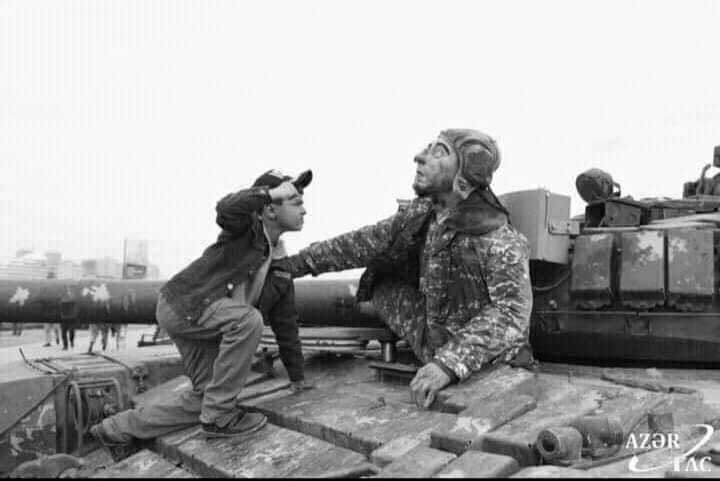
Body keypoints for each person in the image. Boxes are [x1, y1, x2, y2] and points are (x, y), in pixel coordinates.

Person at [283, 129, 533, 410]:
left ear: (462, 179)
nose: (419, 157)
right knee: (381, 285)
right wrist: (296, 265)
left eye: (439, 153)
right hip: (436, 338)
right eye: (428, 148)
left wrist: (448, 364)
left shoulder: (499, 239)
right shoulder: (426, 214)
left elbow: (511, 314)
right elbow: (363, 242)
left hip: (488, 361)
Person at [90, 168, 312, 461]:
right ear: (270, 210)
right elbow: (225, 209)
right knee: (248, 321)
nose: (304, 210)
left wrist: (297, 376)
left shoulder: (279, 263)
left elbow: (285, 322)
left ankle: (116, 428)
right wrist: (267, 193)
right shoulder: (245, 231)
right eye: (296, 202)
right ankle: (220, 419)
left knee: (204, 399)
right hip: (185, 307)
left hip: (198, 318)